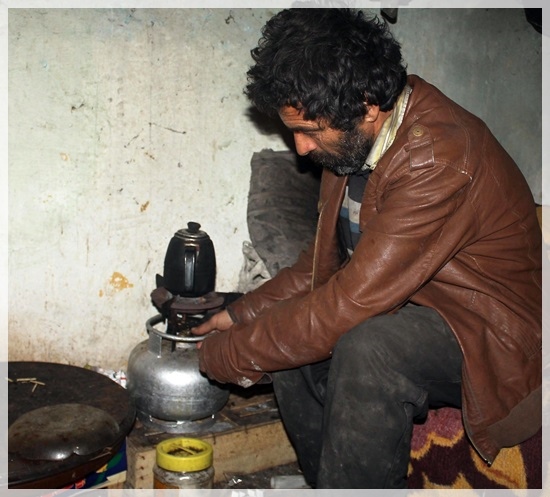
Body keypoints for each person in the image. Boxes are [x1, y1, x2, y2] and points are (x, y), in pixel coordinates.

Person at [193, 8, 542, 489]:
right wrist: (240, 314)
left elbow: (349, 305)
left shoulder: (436, 159)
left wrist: (227, 355)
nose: (300, 148)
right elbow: (321, 265)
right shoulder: (354, 141)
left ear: (367, 105)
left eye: (310, 131)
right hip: (408, 304)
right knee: (285, 344)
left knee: (370, 349)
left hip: (488, 331)